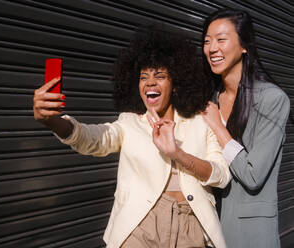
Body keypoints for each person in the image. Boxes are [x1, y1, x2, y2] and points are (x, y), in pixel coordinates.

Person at [33, 26, 231, 248]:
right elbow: (93, 139)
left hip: (190, 226)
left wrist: (177, 153)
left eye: (160, 76)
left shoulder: (201, 121)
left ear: (175, 84)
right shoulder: (129, 122)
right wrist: (52, 121)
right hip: (140, 225)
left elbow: (222, 175)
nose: (150, 83)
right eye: (143, 77)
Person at [201, 9, 290, 248]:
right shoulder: (210, 100)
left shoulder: (272, 100)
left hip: (250, 233)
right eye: (207, 41)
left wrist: (219, 128)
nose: (211, 48)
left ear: (244, 46)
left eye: (221, 39)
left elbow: (253, 175)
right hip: (210, 228)